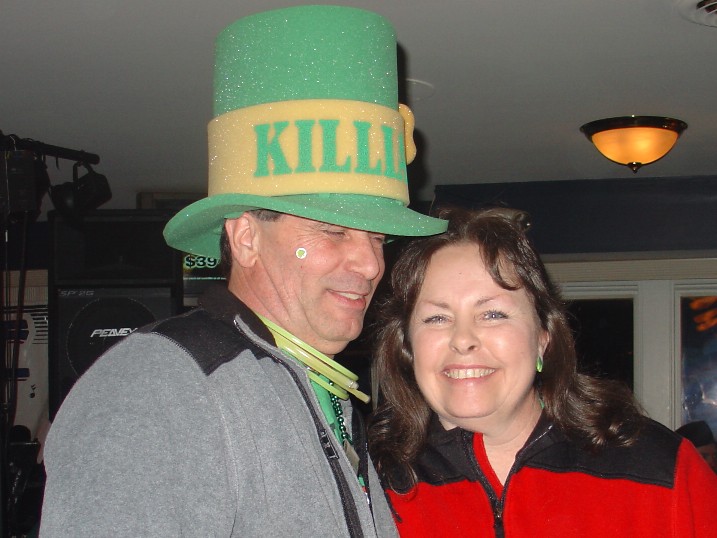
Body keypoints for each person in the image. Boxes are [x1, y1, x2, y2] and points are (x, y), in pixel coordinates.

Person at [39, 6, 447, 536]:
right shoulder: (157, 384)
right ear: (246, 237)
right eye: (333, 231)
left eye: (377, 238)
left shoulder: (327, 392)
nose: (371, 264)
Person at [368, 206, 717, 537]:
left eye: (493, 314)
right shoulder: (371, 484)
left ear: (543, 338)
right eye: (437, 318)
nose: (462, 340)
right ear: (407, 347)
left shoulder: (663, 471)